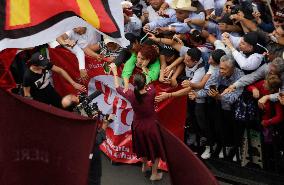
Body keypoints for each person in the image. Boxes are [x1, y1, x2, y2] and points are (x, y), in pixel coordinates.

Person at [110, 63, 166, 181]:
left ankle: (145, 166)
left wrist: (115, 71)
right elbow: (150, 82)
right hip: (151, 126)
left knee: (143, 146)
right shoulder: (151, 92)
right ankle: (154, 174)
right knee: (155, 151)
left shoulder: (131, 94)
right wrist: (145, 69)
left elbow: (117, 87)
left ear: (134, 84)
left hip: (138, 126)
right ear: (144, 83)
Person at [61, 94, 113, 185]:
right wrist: (105, 125)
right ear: (76, 104)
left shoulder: (66, 121)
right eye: (71, 97)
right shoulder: (83, 126)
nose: (74, 95)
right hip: (88, 160)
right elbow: (96, 141)